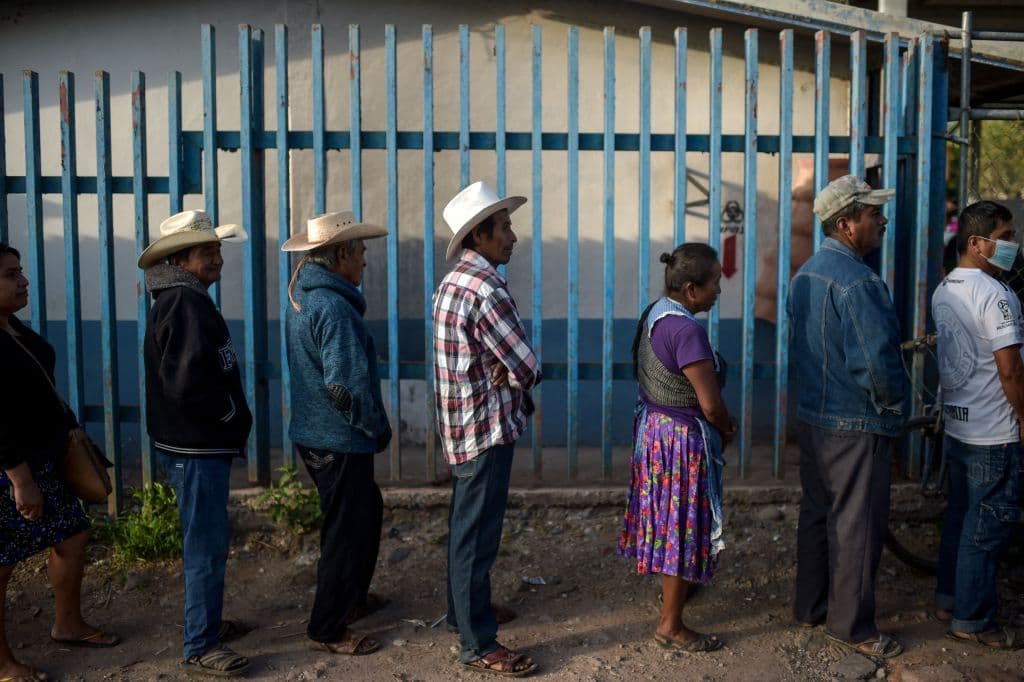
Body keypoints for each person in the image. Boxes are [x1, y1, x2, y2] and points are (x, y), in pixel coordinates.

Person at [788, 175, 906, 658]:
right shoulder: (859, 280)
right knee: (857, 525)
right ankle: (853, 628)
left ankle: (811, 606)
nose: (882, 219)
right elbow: (876, 364)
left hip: (815, 419)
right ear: (845, 223)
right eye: (872, 212)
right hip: (854, 424)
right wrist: (894, 408)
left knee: (819, 515)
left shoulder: (806, 275)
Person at [433, 180, 541, 676]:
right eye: (505, 227)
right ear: (479, 235)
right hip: (486, 428)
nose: (513, 236)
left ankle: (464, 616)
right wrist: (513, 371)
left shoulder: (451, 283)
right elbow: (527, 365)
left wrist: (505, 367)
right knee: (478, 540)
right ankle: (478, 643)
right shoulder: (487, 289)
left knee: (464, 531)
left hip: (460, 427)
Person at [139, 210, 253, 677]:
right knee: (205, 546)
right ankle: (200, 644)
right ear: (181, 259)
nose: (217, 258)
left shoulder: (183, 297)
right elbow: (186, 384)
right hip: (197, 448)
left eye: (218, 249)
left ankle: (206, 624)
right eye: (207, 251)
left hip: (196, 446)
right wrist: (227, 412)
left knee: (206, 542)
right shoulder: (185, 303)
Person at [0, 243, 120, 682]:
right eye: (11, 274)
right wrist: (21, 481)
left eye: (21, 271)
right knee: (1, 564)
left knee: (73, 534)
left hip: (43, 461)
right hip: (12, 469)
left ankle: (67, 624)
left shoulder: (13, 329)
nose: (23, 281)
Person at [282, 211, 392, 656]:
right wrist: (375, 428)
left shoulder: (308, 294)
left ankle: (353, 600)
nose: (366, 260)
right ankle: (328, 627)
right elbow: (343, 387)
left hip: (318, 435)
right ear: (342, 254)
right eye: (361, 252)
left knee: (365, 511)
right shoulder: (332, 307)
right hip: (338, 439)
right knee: (345, 531)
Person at [618, 243, 735, 653]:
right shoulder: (687, 331)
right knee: (680, 526)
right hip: (681, 442)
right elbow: (710, 404)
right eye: (714, 283)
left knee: (669, 519)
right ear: (690, 289)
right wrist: (729, 428)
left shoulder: (657, 312)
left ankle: (675, 592)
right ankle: (670, 624)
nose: (719, 290)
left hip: (656, 433)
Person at [932, 200, 1023, 650]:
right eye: (1004, 238)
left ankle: (949, 601)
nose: (1012, 246)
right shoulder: (996, 294)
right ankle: (973, 620)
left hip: (959, 425)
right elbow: (1010, 370)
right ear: (976, 243)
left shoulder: (945, 288)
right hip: (994, 431)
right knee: (986, 527)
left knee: (961, 518)